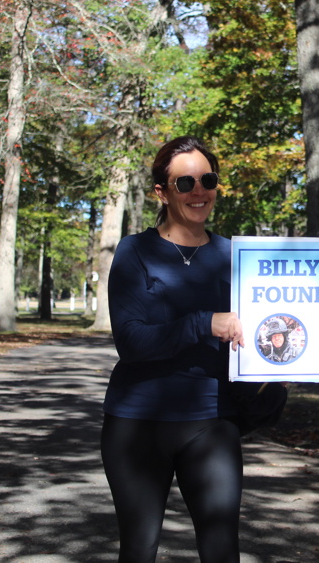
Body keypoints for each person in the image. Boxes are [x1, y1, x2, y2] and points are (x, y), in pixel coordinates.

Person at [101, 136, 245, 563]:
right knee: (139, 548)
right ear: (162, 192)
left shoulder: (236, 256)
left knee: (222, 550)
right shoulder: (135, 251)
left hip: (213, 421)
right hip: (138, 423)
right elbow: (131, 342)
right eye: (185, 183)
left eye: (208, 180)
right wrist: (203, 323)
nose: (199, 191)